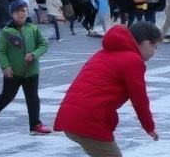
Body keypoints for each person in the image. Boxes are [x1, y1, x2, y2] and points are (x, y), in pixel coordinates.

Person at [54, 22, 160, 156]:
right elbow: (140, 99)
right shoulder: (133, 60)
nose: (154, 52)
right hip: (89, 120)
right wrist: (149, 126)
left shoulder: (103, 53)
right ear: (145, 42)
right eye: (154, 47)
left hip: (71, 116)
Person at [0, 0, 51, 135]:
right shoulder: (7, 32)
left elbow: (43, 44)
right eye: (17, 11)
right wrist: (5, 66)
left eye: (23, 11)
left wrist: (34, 54)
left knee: (33, 98)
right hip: (13, 72)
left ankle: (35, 123)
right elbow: (0, 52)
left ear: (27, 13)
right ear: (12, 14)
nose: (21, 14)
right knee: (7, 96)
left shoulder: (33, 28)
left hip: (31, 71)